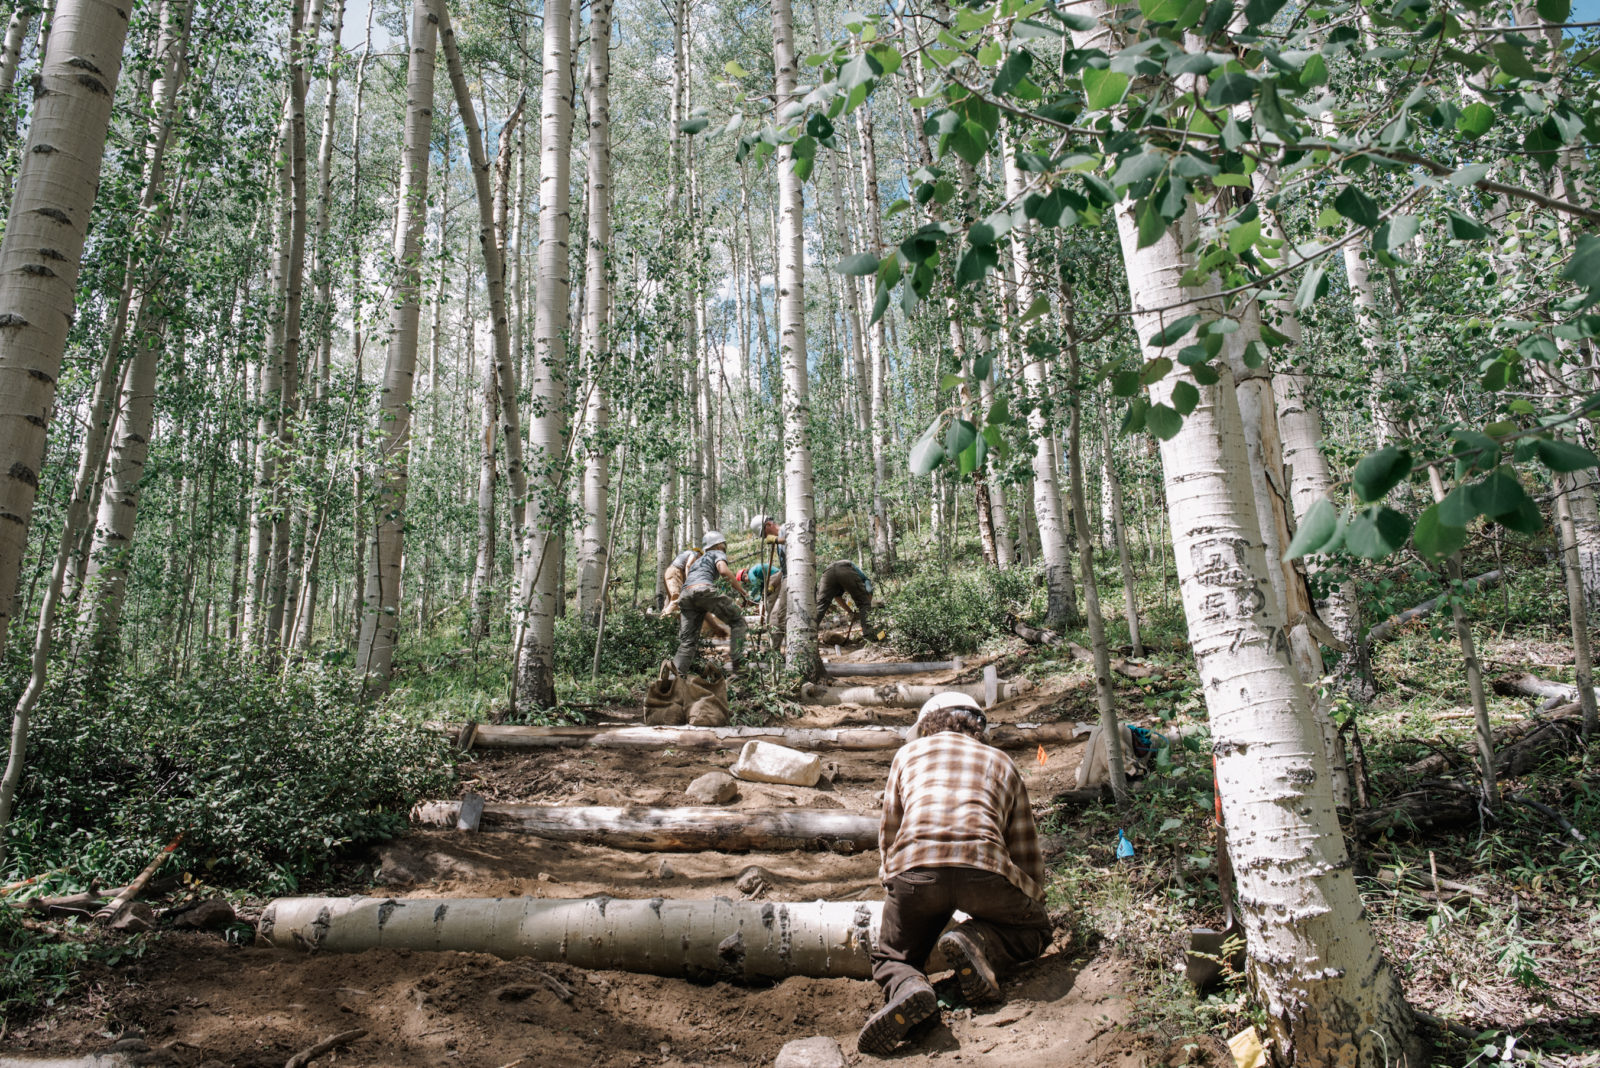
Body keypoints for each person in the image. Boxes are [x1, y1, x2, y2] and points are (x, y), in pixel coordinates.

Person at [858, 692, 1052, 1056]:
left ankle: (908, 987)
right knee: (1034, 930)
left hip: (915, 873)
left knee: (893, 956)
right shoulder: (1002, 761)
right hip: (984, 870)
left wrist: (894, 886)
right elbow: (1024, 849)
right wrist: (1031, 904)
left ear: (927, 724)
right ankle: (977, 942)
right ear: (978, 726)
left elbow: (889, 833)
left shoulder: (907, 755)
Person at [673, 531, 752, 676]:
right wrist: (742, 592)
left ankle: (674, 677)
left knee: (688, 642)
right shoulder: (717, 553)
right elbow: (723, 571)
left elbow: (701, 607)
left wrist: (715, 626)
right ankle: (739, 670)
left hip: (685, 595)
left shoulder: (699, 560)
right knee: (738, 621)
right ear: (719, 545)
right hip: (703, 589)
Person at [750, 515, 793, 637]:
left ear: (768, 524)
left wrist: (776, 540)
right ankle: (776, 651)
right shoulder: (778, 539)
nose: (764, 537)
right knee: (775, 616)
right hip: (786, 577)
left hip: (793, 579)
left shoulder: (785, 529)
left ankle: (790, 648)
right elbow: (785, 568)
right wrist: (774, 584)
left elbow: (797, 541)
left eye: (764, 533)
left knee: (780, 615)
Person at [816, 560, 873, 636]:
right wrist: (867, 603)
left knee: (820, 606)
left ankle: (808, 634)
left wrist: (850, 612)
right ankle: (868, 634)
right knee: (864, 603)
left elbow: (837, 597)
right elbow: (868, 587)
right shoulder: (864, 579)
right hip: (845, 568)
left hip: (828, 572)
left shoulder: (838, 585)